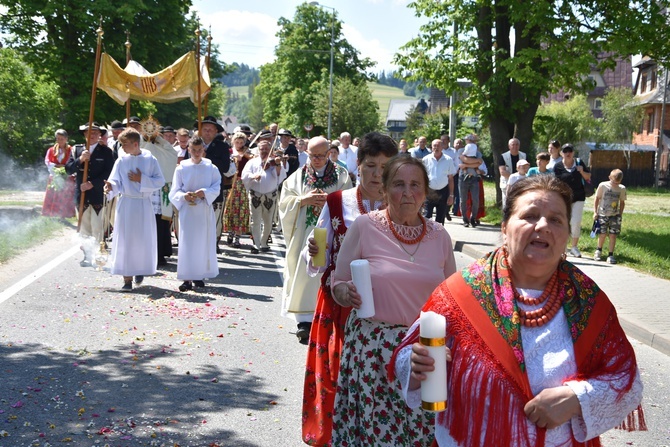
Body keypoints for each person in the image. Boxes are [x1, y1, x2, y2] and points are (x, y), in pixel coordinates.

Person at [392, 175, 644, 447]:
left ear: (567, 236)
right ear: (504, 227)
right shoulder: (459, 293)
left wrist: (576, 399)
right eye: (531, 216)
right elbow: (407, 354)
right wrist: (416, 365)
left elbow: (626, 378)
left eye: (556, 219)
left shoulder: (589, 302)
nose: (543, 226)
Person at [329, 156, 457, 446]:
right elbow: (338, 283)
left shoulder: (440, 236)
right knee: (376, 433)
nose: (408, 192)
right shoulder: (364, 226)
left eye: (415, 185)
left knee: (422, 433)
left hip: (424, 354)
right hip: (373, 352)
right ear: (385, 190)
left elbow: (453, 300)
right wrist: (345, 292)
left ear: (426, 192)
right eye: (399, 184)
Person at [301, 132, 398, 446]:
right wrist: (314, 249)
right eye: (370, 165)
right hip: (339, 308)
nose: (376, 174)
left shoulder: (402, 206)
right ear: (358, 165)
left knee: (379, 381)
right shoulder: (337, 202)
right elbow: (316, 259)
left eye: (384, 167)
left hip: (387, 310)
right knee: (337, 377)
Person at [279, 136, 351, 342]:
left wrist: (330, 202)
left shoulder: (341, 174)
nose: (317, 159)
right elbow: (285, 202)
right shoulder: (299, 176)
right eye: (313, 155)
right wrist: (304, 200)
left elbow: (348, 199)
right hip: (305, 232)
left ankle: (327, 318)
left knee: (327, 271)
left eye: (321, 155)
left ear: (329, 153)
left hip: (330, 232)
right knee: (304, 273)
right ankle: (304, 321)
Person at [104, 128, 165, 290]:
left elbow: (160, 181)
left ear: (135, 144)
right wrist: (110, 186)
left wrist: (142, 179)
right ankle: (127, 279)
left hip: (143, 204)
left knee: (141, 239)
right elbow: (115, 181)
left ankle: (140, 268)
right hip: (127, 204)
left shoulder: (150, 160)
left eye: (124, 144)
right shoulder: (121, 160)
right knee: (125, 239)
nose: (122, 147)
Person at [169, 136, 221, 292]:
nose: (197, 153)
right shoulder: (181, 168)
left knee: (202, 242)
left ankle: (199, 274)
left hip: (203, 210)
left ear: (203, 150)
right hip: (187, 210)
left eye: (199, 150)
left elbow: (216, 187)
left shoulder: (211, 168)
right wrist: (184, 196)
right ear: (189, 150)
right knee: (187, 243)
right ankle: (186, 277)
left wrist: (203, 193)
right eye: (194, 150)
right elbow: (174, 191)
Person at [65, 122, 115, 266]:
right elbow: (68, 169)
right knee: (84, 228)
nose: (92, 135)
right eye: (89, 132)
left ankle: (98, 255)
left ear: (100, 134)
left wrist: (93, 183)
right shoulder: (76, 150)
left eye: (95, 132)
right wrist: (80, 160)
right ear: (84, 134)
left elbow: (110, 172)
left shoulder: (106, 152)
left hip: (98, 194)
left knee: (98, 226)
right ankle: (87, 255)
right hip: (82, 195)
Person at [196, 115, 236, 253]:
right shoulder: (194, 144)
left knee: (214, 219)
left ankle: (213, 243)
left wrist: (208, 159)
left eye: (210, 129)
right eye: (205, 129)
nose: (207, 132)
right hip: (195, 187)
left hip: (214, 188)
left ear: (215, 132)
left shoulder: (222, 146)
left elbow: (225, 167)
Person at [242, 139, 287, 254]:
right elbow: (244, 175)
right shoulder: (252, 162)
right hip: (255, 195)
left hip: (269, 196)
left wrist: (277, 164)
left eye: (267, 149)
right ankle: (256, 244)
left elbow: (279, 176)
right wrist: (253, 176)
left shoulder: (274, 162)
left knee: (268, 222)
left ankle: (263, 242)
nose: (264, 151)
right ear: (258, 149)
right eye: (262, 149)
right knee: (255, 221)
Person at [553, 144, 591, 258]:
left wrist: (581, 172)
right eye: (565, 151)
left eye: (570, 151)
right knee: (564, 222)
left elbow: (588, 176)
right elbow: (556, 182)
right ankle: (563, 247)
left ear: (573, 152)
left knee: (575, 222)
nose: (568, 153)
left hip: (579, 197)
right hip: (564, 198)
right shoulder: (558, 166)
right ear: (561, 153)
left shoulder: (579, 163)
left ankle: (574, 247)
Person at [223, 131, 253, 249]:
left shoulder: (247, 153)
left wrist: (245, 156)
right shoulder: (230, 152)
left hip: (242, 183)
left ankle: (237, 237)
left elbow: (252, 160)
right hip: (231, 182)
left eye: (241, 142)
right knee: (229, 208)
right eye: (237, 142)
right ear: (233, 142)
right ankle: (230, 232)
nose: (239, 144)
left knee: (241, 209)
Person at [593, 169, 626, 264]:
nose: (615, 184)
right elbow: (597, 198)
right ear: (609, 177)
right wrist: (595, 212)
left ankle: (610, 254)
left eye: (617, 182)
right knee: (602, 234)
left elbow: (622, 202)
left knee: (613, 235)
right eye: (613, 182)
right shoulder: (603, 185)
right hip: (603, 214)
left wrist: (620, 214)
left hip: (615, 215)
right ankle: (598, 250)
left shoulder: (622, 188)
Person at [42, 129, 76, 218]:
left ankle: (65, 214)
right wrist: (56, 167)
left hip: (67, 176)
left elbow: (73, 162)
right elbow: (47, 161)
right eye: (58, 139)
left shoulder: (71, 150)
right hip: (55, 175)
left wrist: (64, 167)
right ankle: (52, 213)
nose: (59, 141)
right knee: (54, 195)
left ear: (66, 139)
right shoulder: (51, 150)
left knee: (65, 195)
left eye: (61, 139)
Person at [422, 138, 456, 225]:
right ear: (431, 147)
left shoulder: (448, 160)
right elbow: (421, 177)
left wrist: (451, 195)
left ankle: (439, 237)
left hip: (443, 191)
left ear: (442, 147)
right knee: (427, 216)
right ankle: (426, 237)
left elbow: (450, 178)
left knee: (440, 218)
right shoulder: (426, 159)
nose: (436, 148)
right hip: (429, 191)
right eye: (434, 146)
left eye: (438, 146)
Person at [498, 137, 526, 206]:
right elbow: (502, 172)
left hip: (521, 184)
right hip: (507, 184)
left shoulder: (524, 156)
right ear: (509, 146)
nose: (515, 146)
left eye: (517, 145)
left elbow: (527, 169)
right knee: (507, 204)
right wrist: (515, 178)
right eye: (513, 144)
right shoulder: (503, 156)